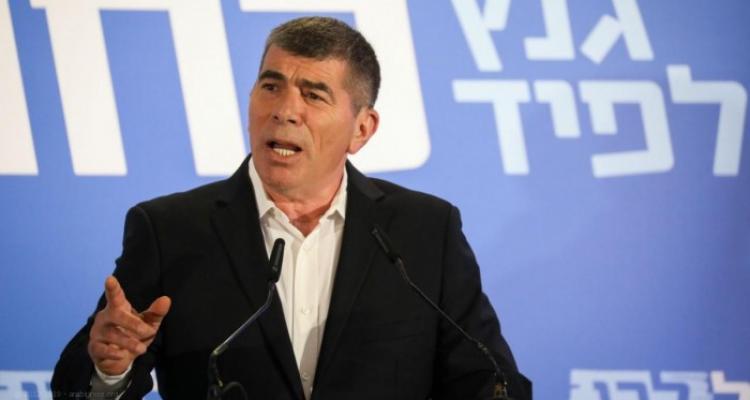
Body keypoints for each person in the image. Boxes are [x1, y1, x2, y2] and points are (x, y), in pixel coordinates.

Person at [51, 16, 531, 400]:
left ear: (361, 129)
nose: (284, 110)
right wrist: (109, 368)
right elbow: (76, 384)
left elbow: (488, 378)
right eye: (271, 86)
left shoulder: (424, 231)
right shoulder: (169, 230)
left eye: (314, 94)